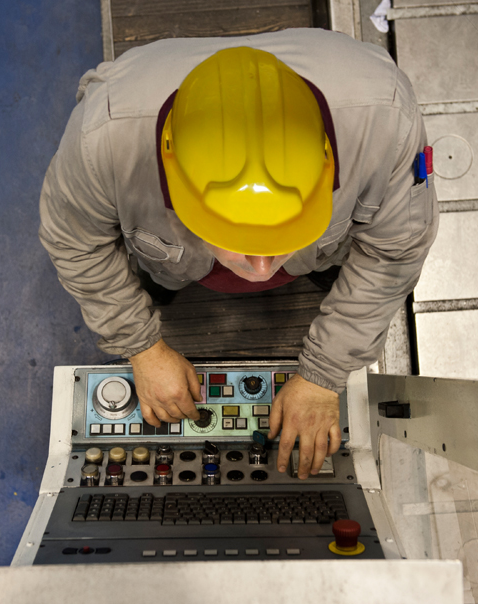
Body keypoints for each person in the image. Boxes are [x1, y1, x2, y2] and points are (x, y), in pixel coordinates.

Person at [38, 29, 438, 480]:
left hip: (328, 249)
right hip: (168, 261)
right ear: (175, 185)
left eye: (286, 235)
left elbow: (395, 252)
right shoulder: (102, 140)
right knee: (153, 282)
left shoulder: (386, 121)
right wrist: (142, 347)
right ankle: (163, 283)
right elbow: (73, 241)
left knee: (337, 270)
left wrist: (324, 374)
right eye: (236, 240)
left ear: (328, 161)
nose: (263, 270)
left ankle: (317, 265)